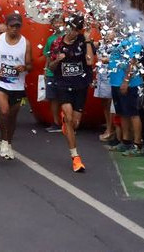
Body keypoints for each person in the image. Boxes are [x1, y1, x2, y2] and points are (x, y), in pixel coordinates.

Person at [46, 14, 93, 172]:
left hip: (80, 86)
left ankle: (68, 124)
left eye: (77, 30)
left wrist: (87, 41)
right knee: (68, 116)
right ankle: (76, 157)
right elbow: (50, 67)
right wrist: (57, 60)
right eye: (72, 29)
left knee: (75, 123)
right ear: (68, 27)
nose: (74, 33)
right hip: (63, 85)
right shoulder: (57, 43)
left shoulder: (83, 41)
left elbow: (89, 62)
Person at [0, 13, 33, 160]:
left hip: (17, 84)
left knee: (13, 117)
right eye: (11, 26)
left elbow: (30, 65)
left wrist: (24, 67)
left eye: (17, 26)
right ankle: (3, 141)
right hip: (0, 81)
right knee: (4, 111)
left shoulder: (26, 43)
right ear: (6, 26)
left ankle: (9, 143)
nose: (14, 29)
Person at [108, 31, 144, 156]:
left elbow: (132, 61)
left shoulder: (134, 40)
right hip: (115, 82)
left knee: (133, 113)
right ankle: (126, 141)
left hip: (130, 84)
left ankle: (138, 145)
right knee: (122, 113)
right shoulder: (120, 39)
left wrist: (126, 81)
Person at [42, 15, 65, 133]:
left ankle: (67, 123)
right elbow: (47, 56)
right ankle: (56, 123)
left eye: (60, 22)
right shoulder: (50, 39)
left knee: (66, 98)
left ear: (64, 24)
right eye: (55, 23)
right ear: (52, 25)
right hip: (52, 72)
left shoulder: (68, 37)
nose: (58, 25)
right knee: (53, 98)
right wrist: (46, 70)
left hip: (65, 73)